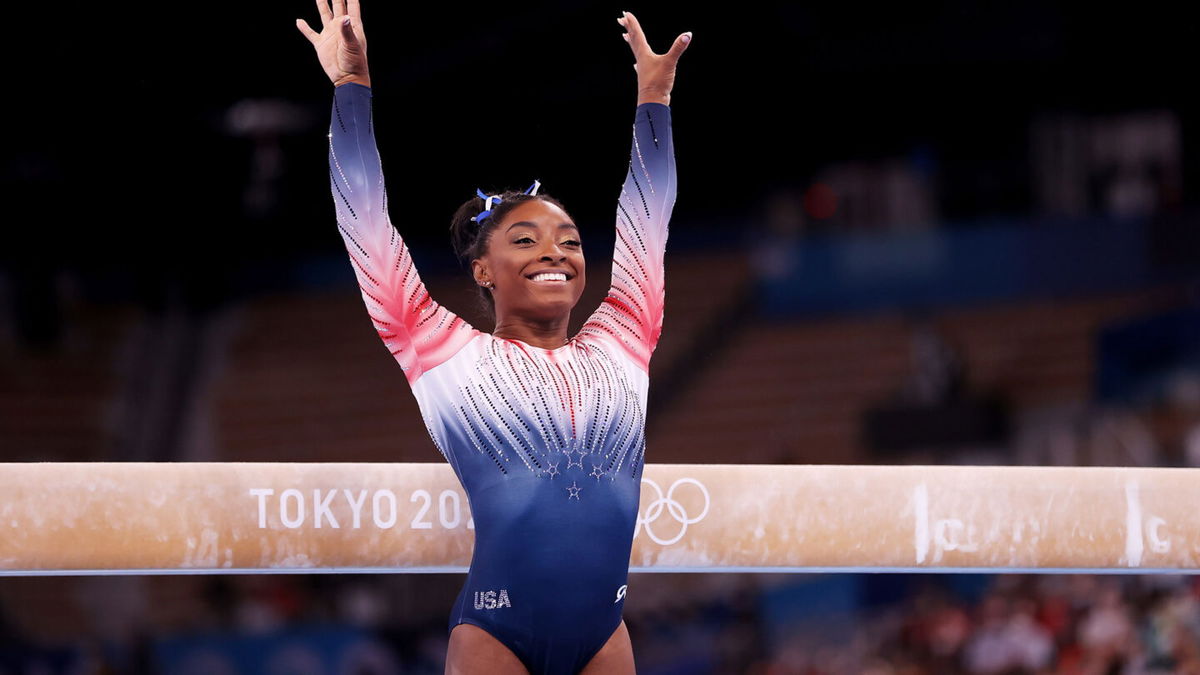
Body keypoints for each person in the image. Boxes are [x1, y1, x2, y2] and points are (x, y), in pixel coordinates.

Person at [296, 1, 690, 672]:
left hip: (605, 634)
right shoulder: (442, 348)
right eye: (526, 239)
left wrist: (653, 100)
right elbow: (363, 220)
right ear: (483, 269)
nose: (556, 252)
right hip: (496, 635)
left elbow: (648, 217)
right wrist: (351, 88)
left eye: (568, 239)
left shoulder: (624, 337)